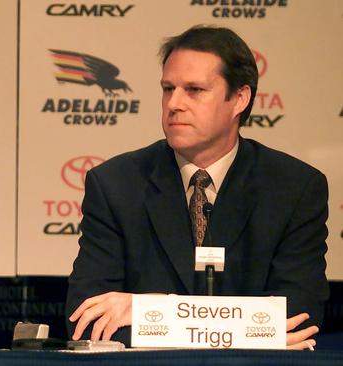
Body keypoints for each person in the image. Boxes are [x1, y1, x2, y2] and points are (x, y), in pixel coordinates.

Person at [65, 25, 328, 350]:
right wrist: (243, 332)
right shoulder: (116, 185)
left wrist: (151, 311)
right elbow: (87, 318)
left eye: (194, 90)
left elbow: (297, 318)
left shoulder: (294, 188)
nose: (174, 103)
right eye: (167, 88)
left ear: (240, 99)